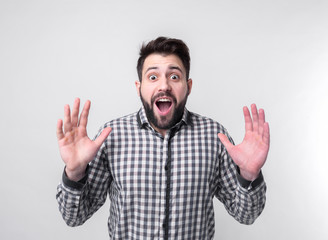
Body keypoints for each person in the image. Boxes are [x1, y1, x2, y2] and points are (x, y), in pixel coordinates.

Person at [56, 37, 270, 240]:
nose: (164, 85)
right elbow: (74, 217)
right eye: (153, 76)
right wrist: (74, 173)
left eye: (174, 76)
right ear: (139, 88)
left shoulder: (214, 137)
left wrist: (249, 175)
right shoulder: (113, 136)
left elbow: (246, 215)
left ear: (189, 86)